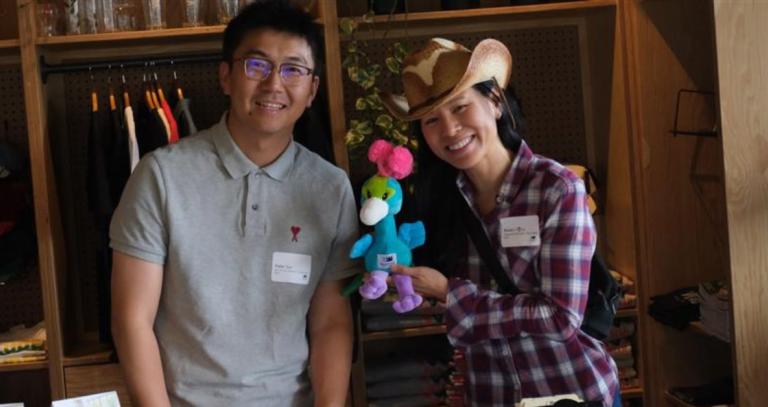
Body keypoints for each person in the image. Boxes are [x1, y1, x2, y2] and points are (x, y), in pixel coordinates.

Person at [109, 2, 358, 406]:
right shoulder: (161, 176)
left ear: (312, 90)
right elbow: (132, 320)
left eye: (294, 69)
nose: (274, 84)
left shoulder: (330, 188)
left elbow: (331, 322)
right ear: (226, 76)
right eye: (257, 66)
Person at [381, 38, 620, 406]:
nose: (449, 129)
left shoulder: (557, 189)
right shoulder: (442, 201)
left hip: (572, 391)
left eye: (460, 107)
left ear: (494, 102)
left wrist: (451, 293)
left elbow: (560, 317)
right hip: (492, 395)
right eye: (432, 120)